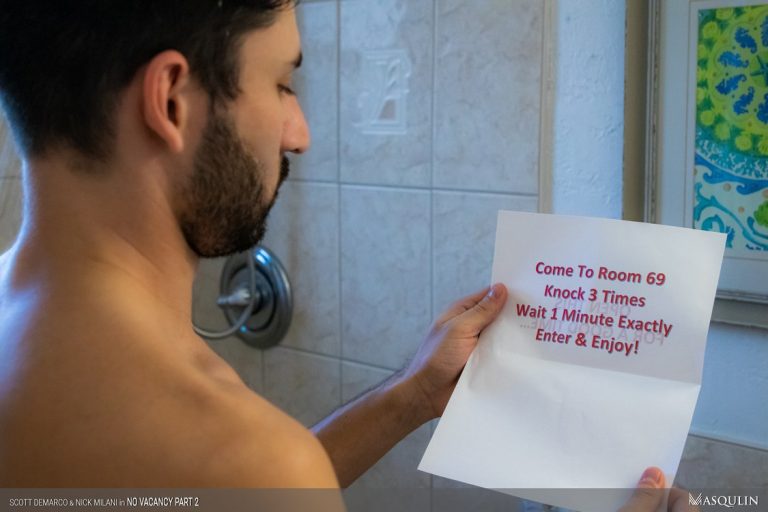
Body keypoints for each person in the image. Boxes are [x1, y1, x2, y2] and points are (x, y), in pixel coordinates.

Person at [0, 1, 690, 509]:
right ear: (172, 101)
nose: (298, 134)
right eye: (282, 85)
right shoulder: (238, 454)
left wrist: (410, 396)